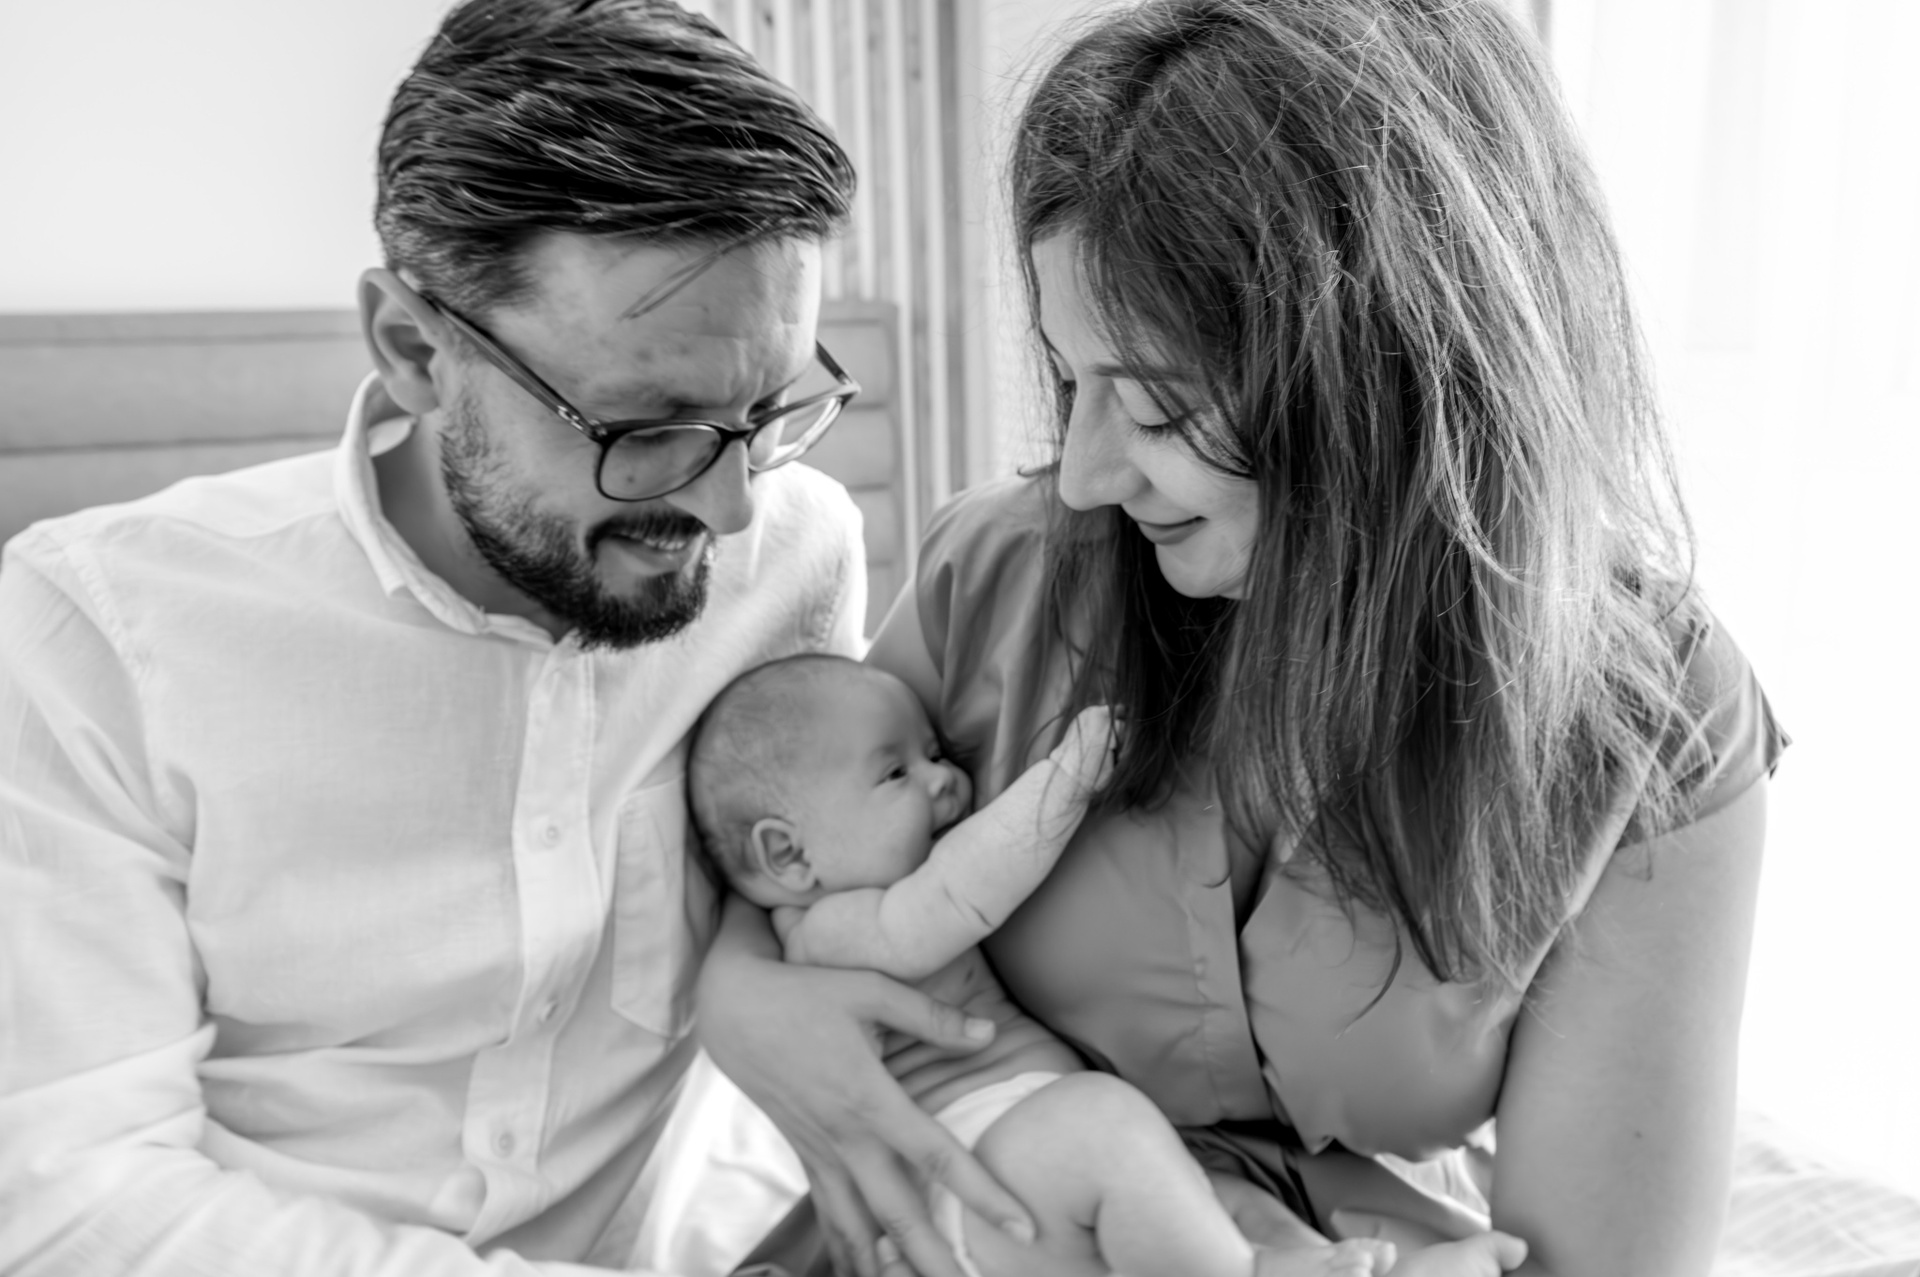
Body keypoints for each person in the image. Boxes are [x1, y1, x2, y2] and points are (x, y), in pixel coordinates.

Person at [695, 2, 1786, 1276]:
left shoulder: (1649, 718)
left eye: (1158, 410)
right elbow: (788, 867)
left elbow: (1594, 1258)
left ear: (1392, 380)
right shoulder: (996, 572)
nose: (1086, 474)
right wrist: (738, 1003)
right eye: (1070, 381)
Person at [0, 2, 1014, 1273]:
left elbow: (814, 873)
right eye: (645, 427)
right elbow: (71, 1200)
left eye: (766, 410)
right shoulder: (94, 631)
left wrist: (751, 978)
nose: (731, 507)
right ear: (413, 348)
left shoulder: (794, 552)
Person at [689, 654, 1519, 1277]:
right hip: (971, 1186)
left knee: (1210, 1193)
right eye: (896, 771)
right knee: (1110, 1130)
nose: (945, 779)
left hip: (1021, 1173)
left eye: (936, 751)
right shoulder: (829, 934)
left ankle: (1304, 1261)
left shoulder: (837, 903)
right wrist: (1067, 775)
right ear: (787, 855)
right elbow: (962, 891)